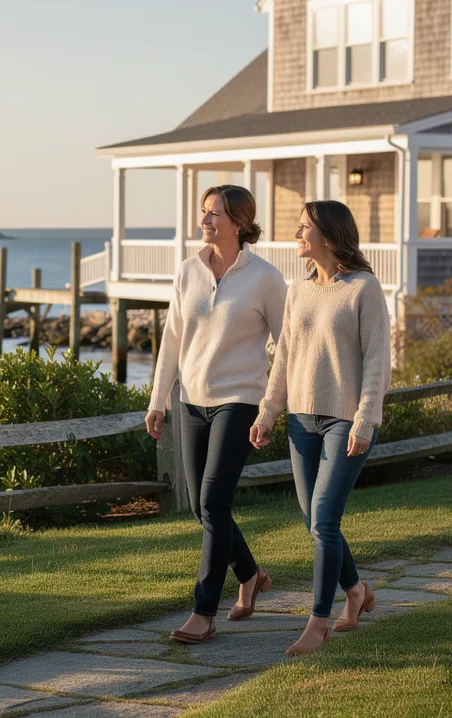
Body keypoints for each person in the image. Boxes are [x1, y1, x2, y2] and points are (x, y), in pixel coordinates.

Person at [249, 199, 391, 657]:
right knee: (313, 520)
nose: (297, 234)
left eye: (304, 227)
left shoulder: (364, 289)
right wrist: (268, 411)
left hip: (345, 420)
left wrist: (365, 420)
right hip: (301, 421)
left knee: (325, 522)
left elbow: (376, 363)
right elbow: (285, 355)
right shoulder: (298, 289)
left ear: (328, 236)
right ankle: (356, 591)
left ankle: (317, 622)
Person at [146, 184, 287, 644]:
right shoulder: (189, 270)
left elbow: (286, 348)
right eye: (203, 212)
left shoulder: (265, 278)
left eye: (215, 214)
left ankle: (203, 610)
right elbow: (172, 338)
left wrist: (271, 405)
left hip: (239, 399)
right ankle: (249, 575)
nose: (205, 221)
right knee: (203, 509)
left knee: (212, 503)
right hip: (191, 400)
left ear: (240, 223)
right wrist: (157, 399)